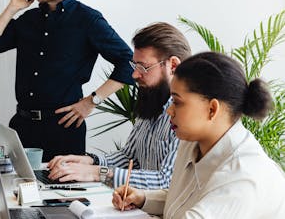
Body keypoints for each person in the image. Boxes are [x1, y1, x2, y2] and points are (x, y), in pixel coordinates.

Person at [0, 0, 134, 161]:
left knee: (63, 193)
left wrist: (92, 101)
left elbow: (129, 62)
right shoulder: (29, 19)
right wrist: (12, 8)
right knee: (17, 190)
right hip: (23, 126)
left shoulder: (88, 20)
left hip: (64, 130)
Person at [112, 52, 285, 218]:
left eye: (177, 102)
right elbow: (187, 198)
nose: (170, 111)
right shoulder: (193, 142)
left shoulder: (241, 177)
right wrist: (143, 198)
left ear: (212, 109)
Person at [48, 22, 191, 189]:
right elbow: (129, 157)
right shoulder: (151, 101)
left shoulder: (188, 116)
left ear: (173, 65)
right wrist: (90, 161)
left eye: (143, 67)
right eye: (134, 65)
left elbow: (166, 181)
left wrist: (96, 173)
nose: (135, 74)